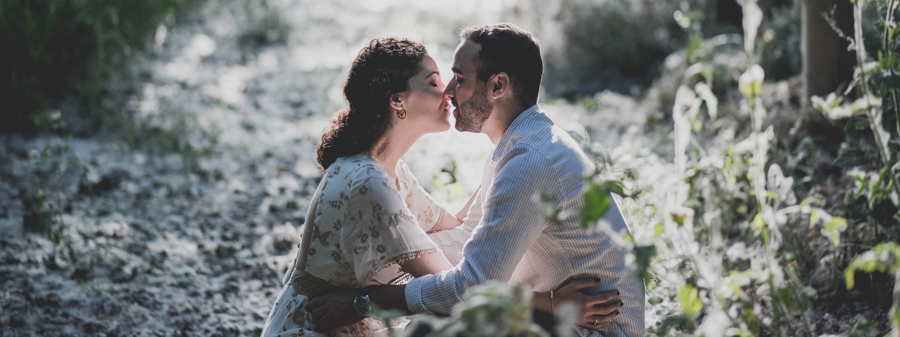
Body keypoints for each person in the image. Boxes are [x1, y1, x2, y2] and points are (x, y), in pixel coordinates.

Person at [260, 37, 620, 337]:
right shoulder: (368, 182)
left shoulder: (388, 170)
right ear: (396, 100)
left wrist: (519, 169)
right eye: (433, 82)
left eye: (452, 80)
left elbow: (458, 230)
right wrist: (549, 301)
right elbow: (459, 290)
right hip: (315, 325)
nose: (448, 92)